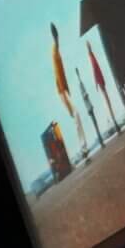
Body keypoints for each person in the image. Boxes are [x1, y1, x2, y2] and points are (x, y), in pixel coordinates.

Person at [50, 23, 91, 159]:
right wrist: (66, 97)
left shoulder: (56, 53)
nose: (58, 41)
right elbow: (58, 77)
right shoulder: (54, 52)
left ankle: (83, 148)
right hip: (62, 92)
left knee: (76, 116)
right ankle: (83, 147)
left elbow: (61, 75)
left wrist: (67, 92)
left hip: (64, 92)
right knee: (76, 114)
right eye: (56, 38)